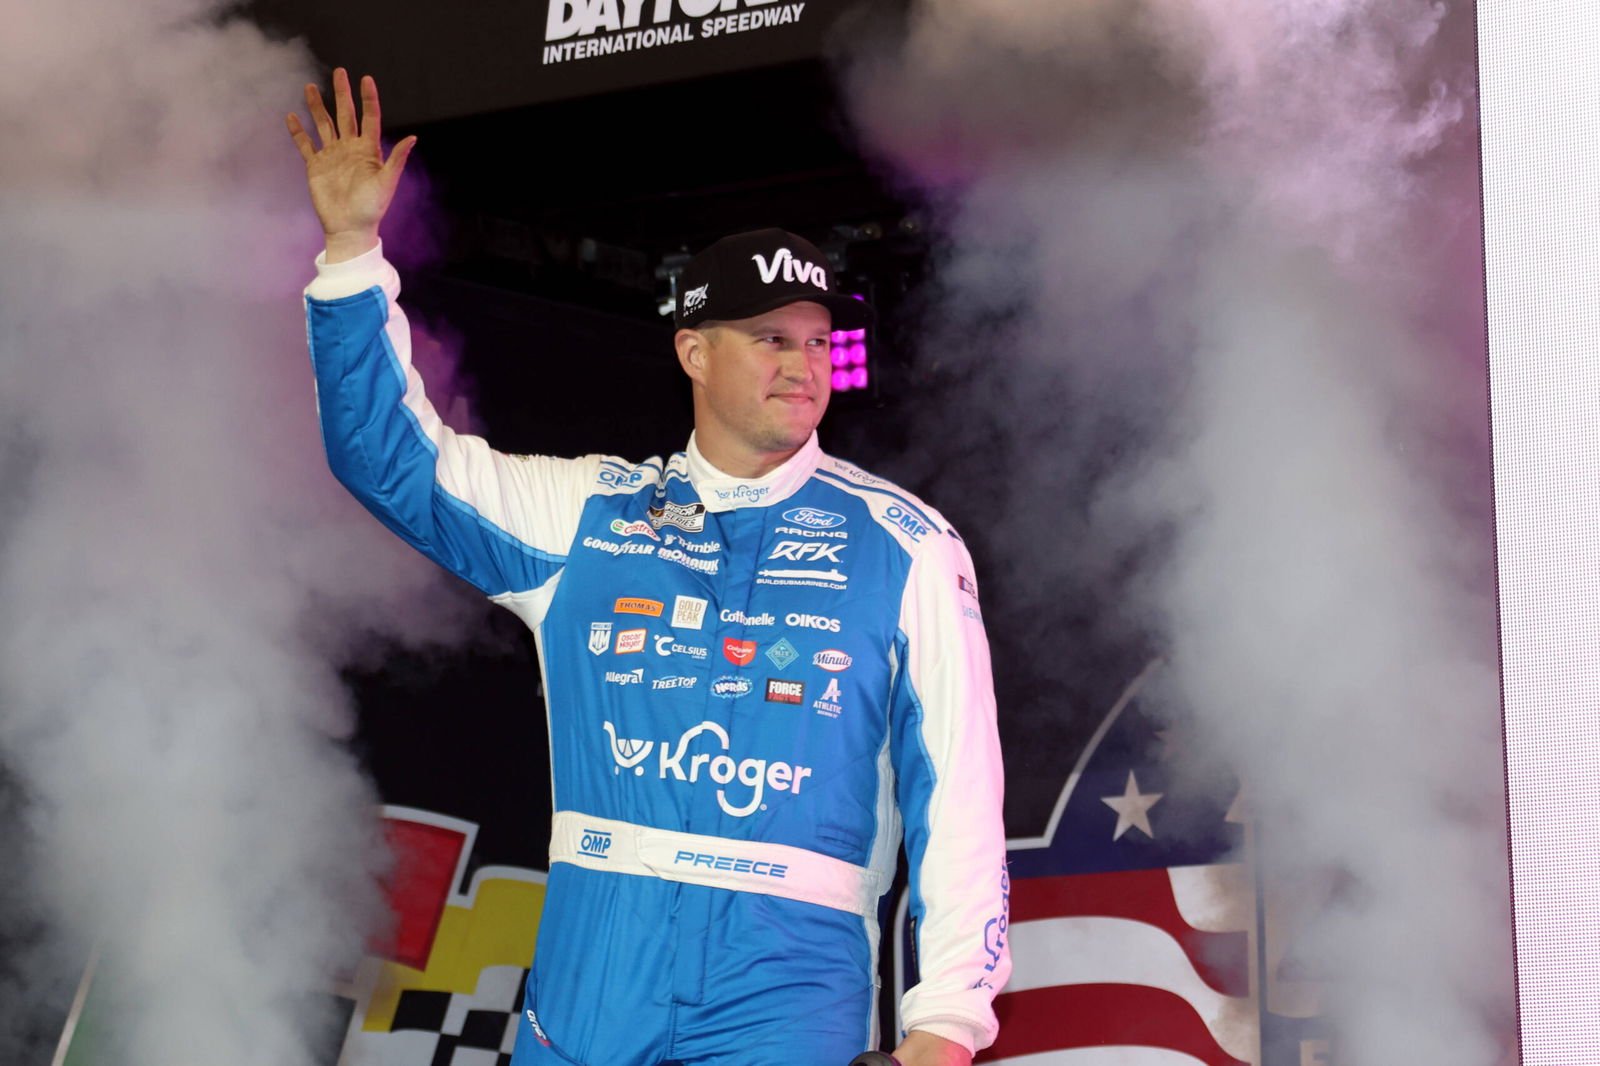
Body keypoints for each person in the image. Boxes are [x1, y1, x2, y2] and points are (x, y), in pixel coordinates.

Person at [288, 69, 1010, 1066]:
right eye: (768, 338)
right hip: (596, 968)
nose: (802, 365)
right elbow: (391, 461)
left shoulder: (908, 544)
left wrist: (948, 1022)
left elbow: (959, 795)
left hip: (787, 979)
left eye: (815, 341)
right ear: (693, 353)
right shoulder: (588, 512)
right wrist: (351, 254)